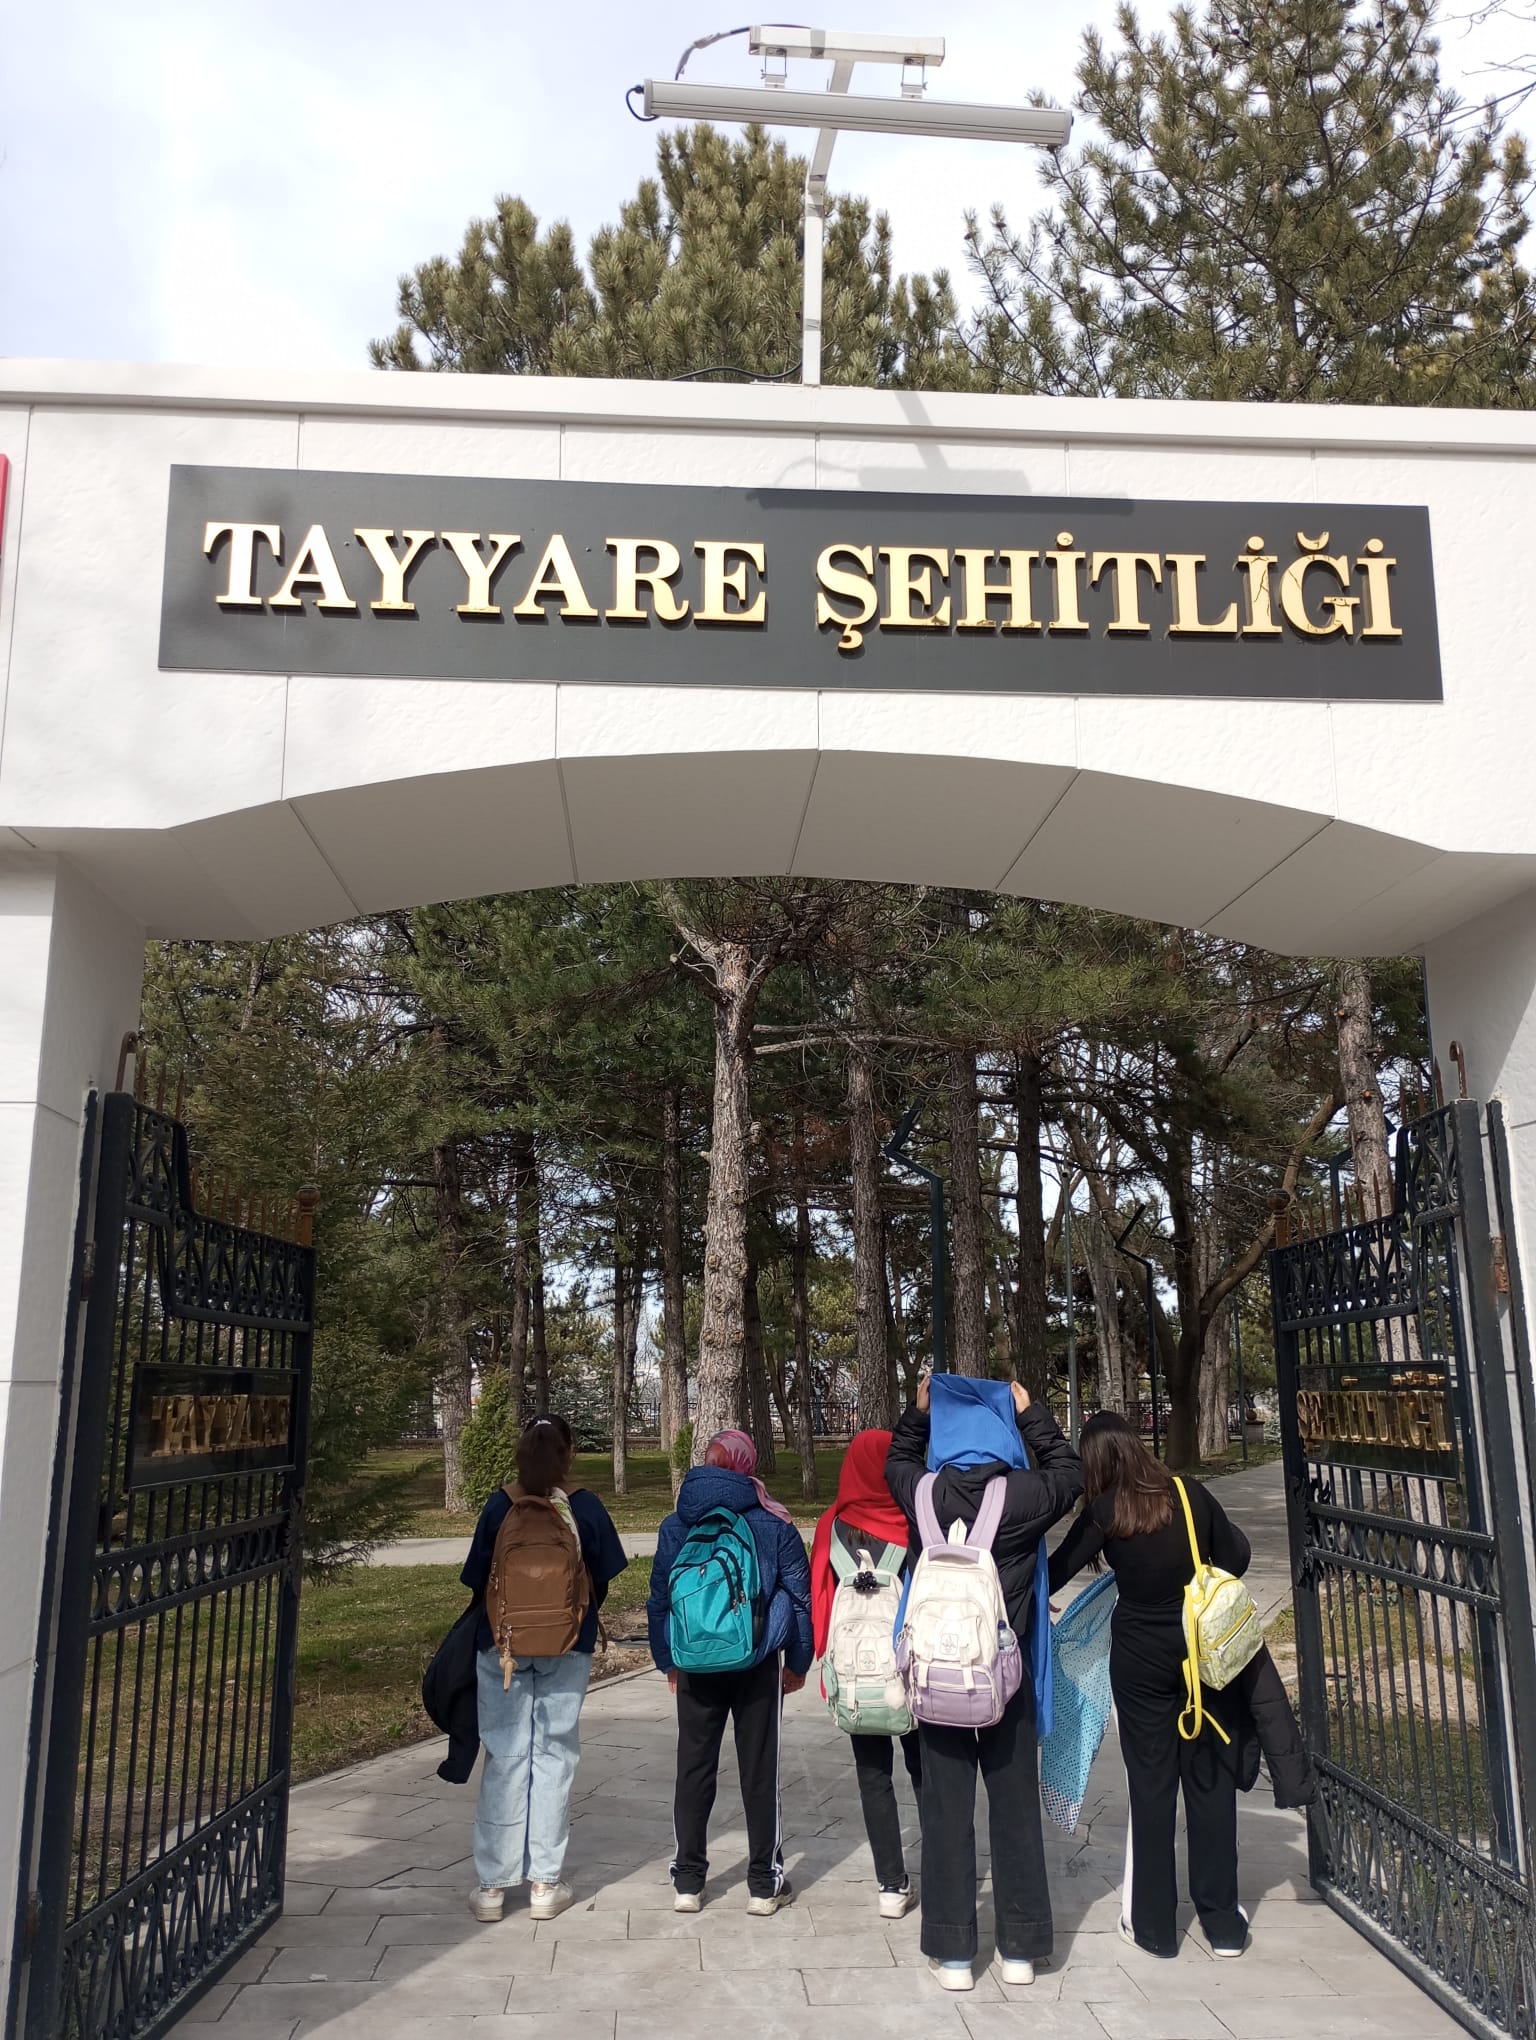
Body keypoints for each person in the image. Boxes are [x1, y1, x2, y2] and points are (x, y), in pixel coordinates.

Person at [1048, 1410, 1313, 1961]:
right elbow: (1236, 1558)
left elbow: (1055, 1571)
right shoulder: (1189, 1494)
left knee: (1151, 1788)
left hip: (1139, 1665)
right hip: (1204, 1656)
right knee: (1210, 1783)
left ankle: (1154, 1928)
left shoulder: (1104, 1512)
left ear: (1097, 1463)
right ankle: (1223, 1926)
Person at [885, 1374, 1082, 1992]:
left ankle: (952, 1953)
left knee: (946, 1809)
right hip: (1005, 1675)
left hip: (938, 1677)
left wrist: (918, 1415)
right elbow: (1070, 1472)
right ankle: (1020, 1948)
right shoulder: (1022, 1496)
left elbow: (895, 1461)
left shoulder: (923, 1495)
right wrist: (1031, 1414)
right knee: (1014, 1805)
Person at [460, 1413, 627, 1923]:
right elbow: (603, 1576)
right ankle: (544, 1884)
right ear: (568, 1454)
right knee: (554, 1758)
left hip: (502, 1648)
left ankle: (491, 1888)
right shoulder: (584, 1506)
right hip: (567, 1645)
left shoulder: (500, 1505)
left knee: (506, 1757)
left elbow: (476, 1580)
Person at [647, 1428, 813, 1915]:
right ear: (747, 1466)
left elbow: (659, 1599)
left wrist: (667, 1660)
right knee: (760, 1770)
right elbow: (800, 1599)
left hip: (694, 1662)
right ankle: (763, 1883)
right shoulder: (773, 1522)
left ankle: (688, 1881)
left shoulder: (675, 1524)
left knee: (693, 1768)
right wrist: (798, 1662)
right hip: (756, 1660)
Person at [809, 1428, 922, 1918]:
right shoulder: (912, 1523)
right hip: (908, 1673)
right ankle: (943, 1870)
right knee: (926, 1770)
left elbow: (819, 1600)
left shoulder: (832, 1527)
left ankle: (891, 1886)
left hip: (857, 1677)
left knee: (873, 1775)